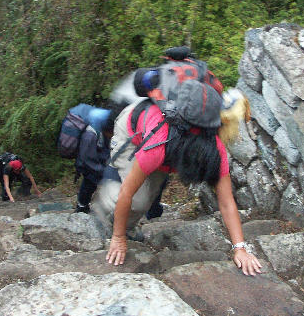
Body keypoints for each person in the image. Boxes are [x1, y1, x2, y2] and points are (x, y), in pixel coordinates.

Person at [92, 73, 262, 276]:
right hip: (131, 132)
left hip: (164, 150)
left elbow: (226, 202)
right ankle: (110, 213)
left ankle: (126, 224)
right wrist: (118, 238)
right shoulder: (158, 146)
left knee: (149, 192)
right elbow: (127, 193)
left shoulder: (215, 149)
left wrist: (240, 249)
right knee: (138, 200)